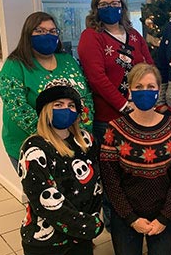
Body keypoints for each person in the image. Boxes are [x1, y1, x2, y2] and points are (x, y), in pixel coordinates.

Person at [99, 63, 171, 255]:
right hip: (125, 214)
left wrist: (165, 217)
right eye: (139, 87)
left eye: (151, 87)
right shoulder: (115, 128)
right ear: (130, 90)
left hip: (163, 213)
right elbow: (110, 180)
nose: (145, 91)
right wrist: (131, 218)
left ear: (158, 90)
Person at [0, 11, 94, 171]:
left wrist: (82, 130)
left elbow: (86, 97)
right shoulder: (15, 66)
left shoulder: (67, 60)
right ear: (28, 34)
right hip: (32, 144)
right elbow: (17, 109)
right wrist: (54, 137)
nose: (47, 35)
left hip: (72, 140)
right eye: (40, 31)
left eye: (52, 31)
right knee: (44, 191)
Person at [19, 79, 103, 255]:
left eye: (71, 105)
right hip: (47, 243)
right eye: (58, 104)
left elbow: (96, 184)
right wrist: (88, 226)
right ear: (46, 110)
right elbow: (45, 202)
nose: (66, 109)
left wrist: (91, 220)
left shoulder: (85, 141)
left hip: (82, 237)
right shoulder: (34, 148)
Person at [78, 0, 154, 143]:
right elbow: (97, 78)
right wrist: (124, 105)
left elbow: (150, 69)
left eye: (114, 3)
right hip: (109, 119)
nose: (110, 8)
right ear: (96, 9)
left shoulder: (134, 35)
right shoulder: (91, 36)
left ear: (122, 6)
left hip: (139, 113)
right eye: (104, 5)